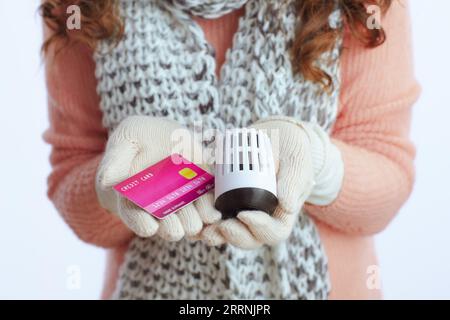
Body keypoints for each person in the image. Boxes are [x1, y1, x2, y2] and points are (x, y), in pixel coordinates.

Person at [41, 0, 420, 299]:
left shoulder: (364, 5)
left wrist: (315, 161)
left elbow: (389, 175)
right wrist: (115, 186)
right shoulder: (81, 8)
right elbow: (70, 174)